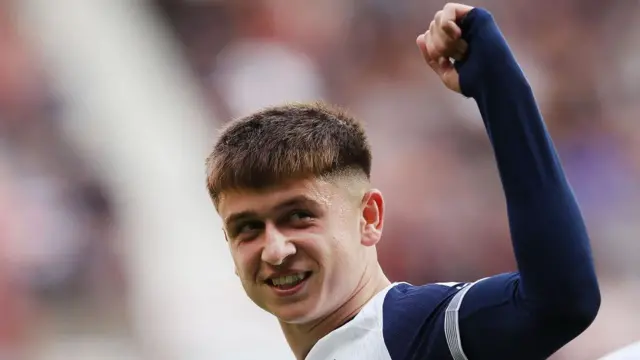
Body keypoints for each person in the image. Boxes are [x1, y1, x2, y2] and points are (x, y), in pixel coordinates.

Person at [205, 4, 601, 359]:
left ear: (370, 218)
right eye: (248, 228)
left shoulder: (407, 332)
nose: (274, 250)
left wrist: (498, 86)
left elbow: (559, 302)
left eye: (298, 216)